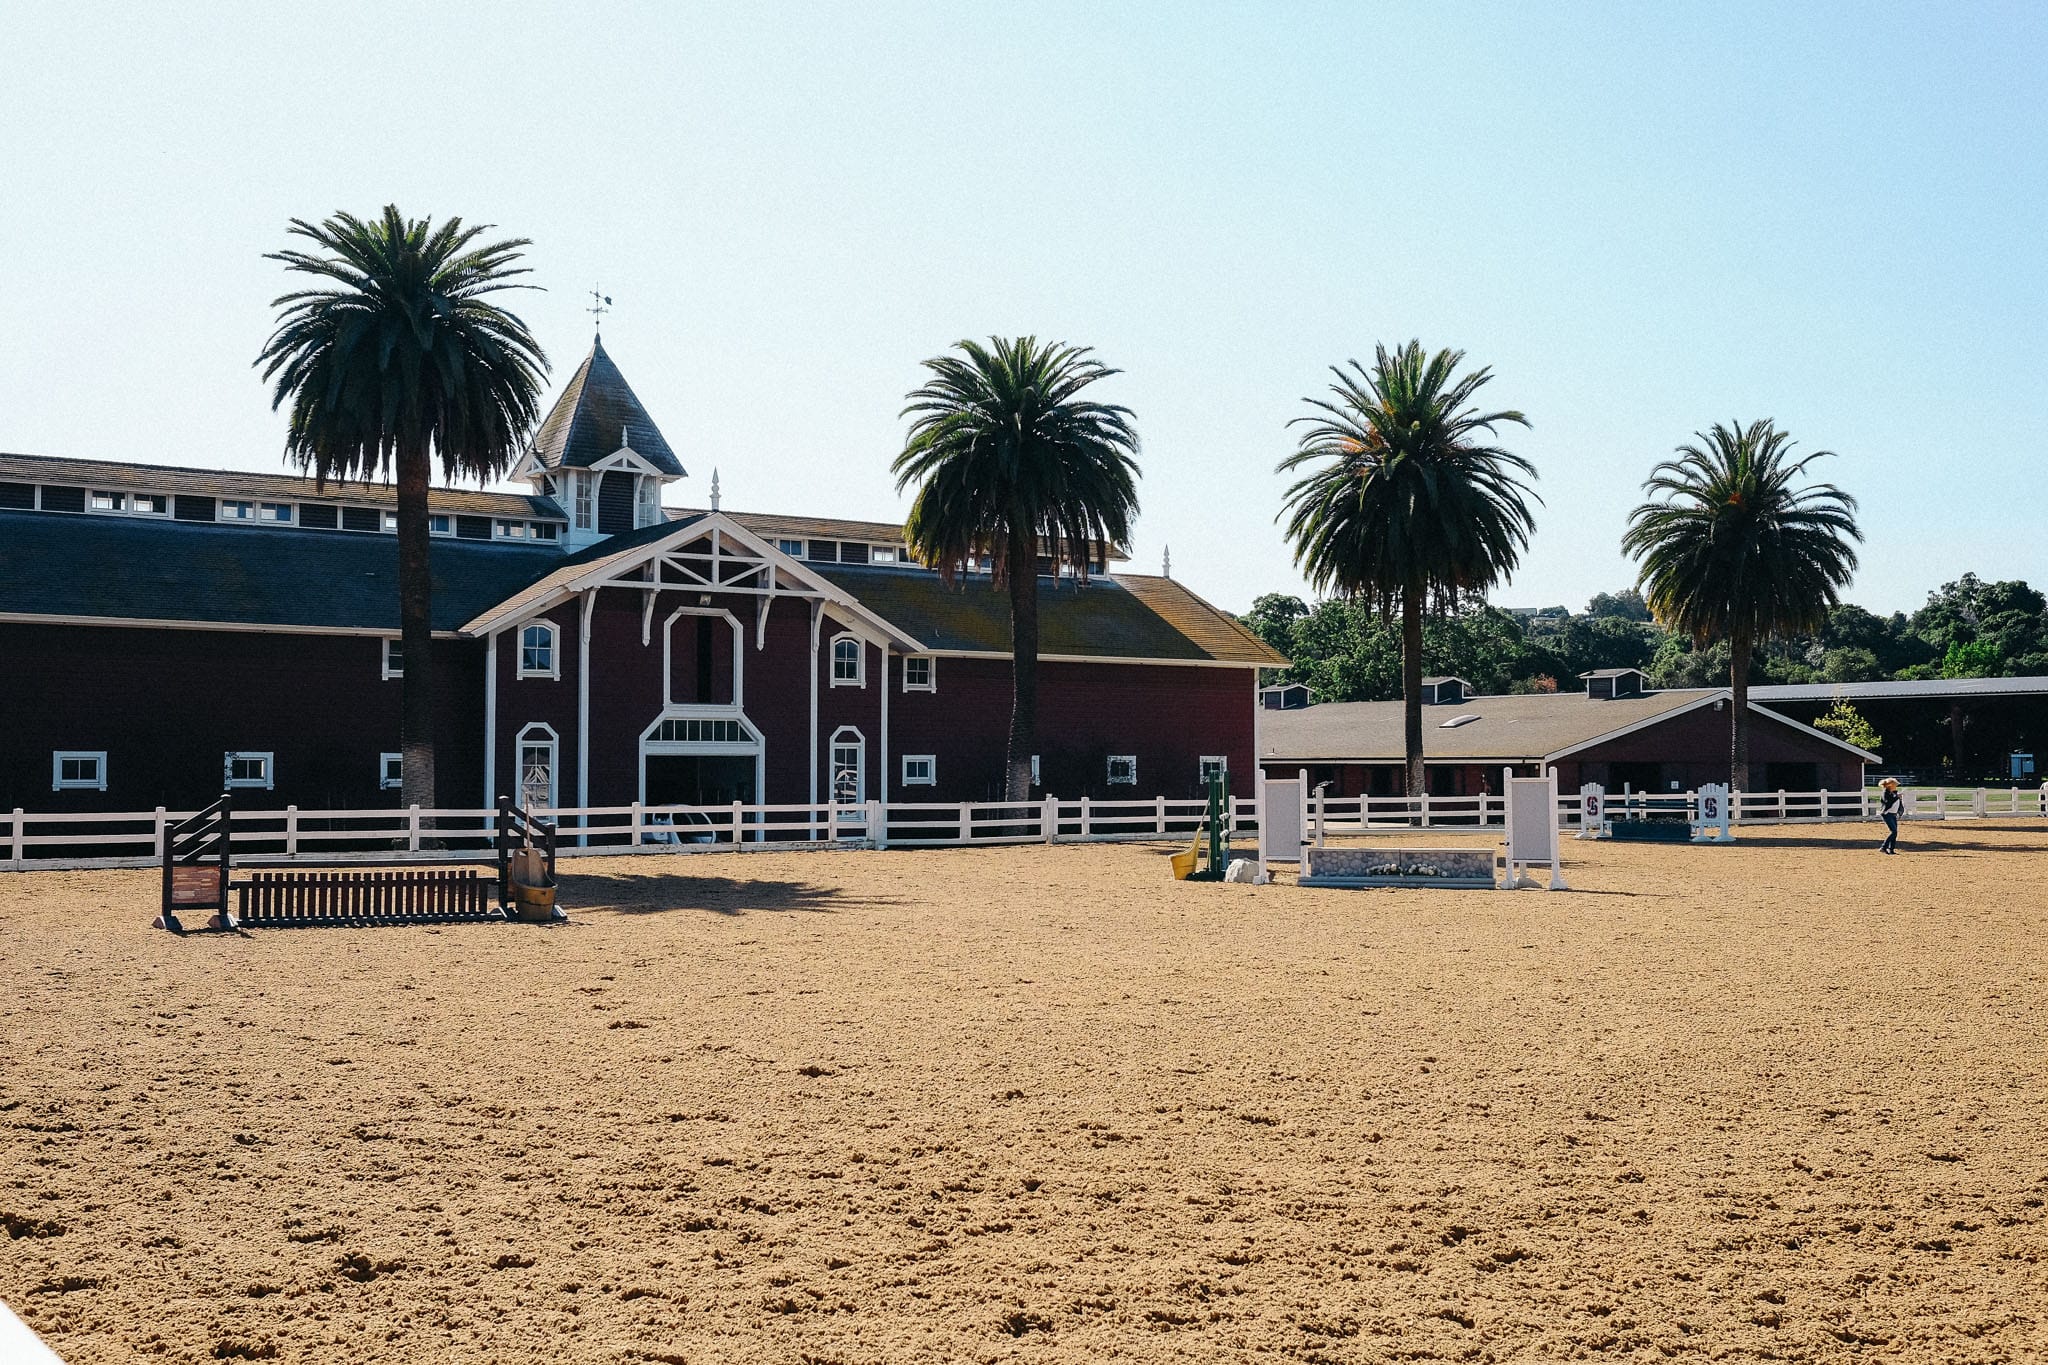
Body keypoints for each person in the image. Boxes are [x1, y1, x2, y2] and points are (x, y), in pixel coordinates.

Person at [1877, 777, 1903, 854]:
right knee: (1894, 831)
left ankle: (1891, 849)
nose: (1896, 786)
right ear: (1890, 785)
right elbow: (1888, 802)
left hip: (1893, 814)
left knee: (1895, 832)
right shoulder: (1885, 793)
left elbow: (1895, 801)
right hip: (1887, 814)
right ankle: (1884, 847)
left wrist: (1898, 797)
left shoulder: (1893, 793)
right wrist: (1897, 797)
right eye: (1895, 784)